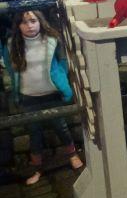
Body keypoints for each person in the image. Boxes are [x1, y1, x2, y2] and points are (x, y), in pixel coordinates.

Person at [3, 10, 83, 185]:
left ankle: (73, 155)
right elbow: (10, 66)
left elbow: (62, 61)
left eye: (33, 21)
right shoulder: (12, 44)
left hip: (51, 94)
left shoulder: (51, 40)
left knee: (61, 127)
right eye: (24, 22)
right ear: (18, 26)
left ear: (40, 21)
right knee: (34, 133)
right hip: (28, 97)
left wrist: (59, 78)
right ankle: (37, 168)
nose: (30, 25)